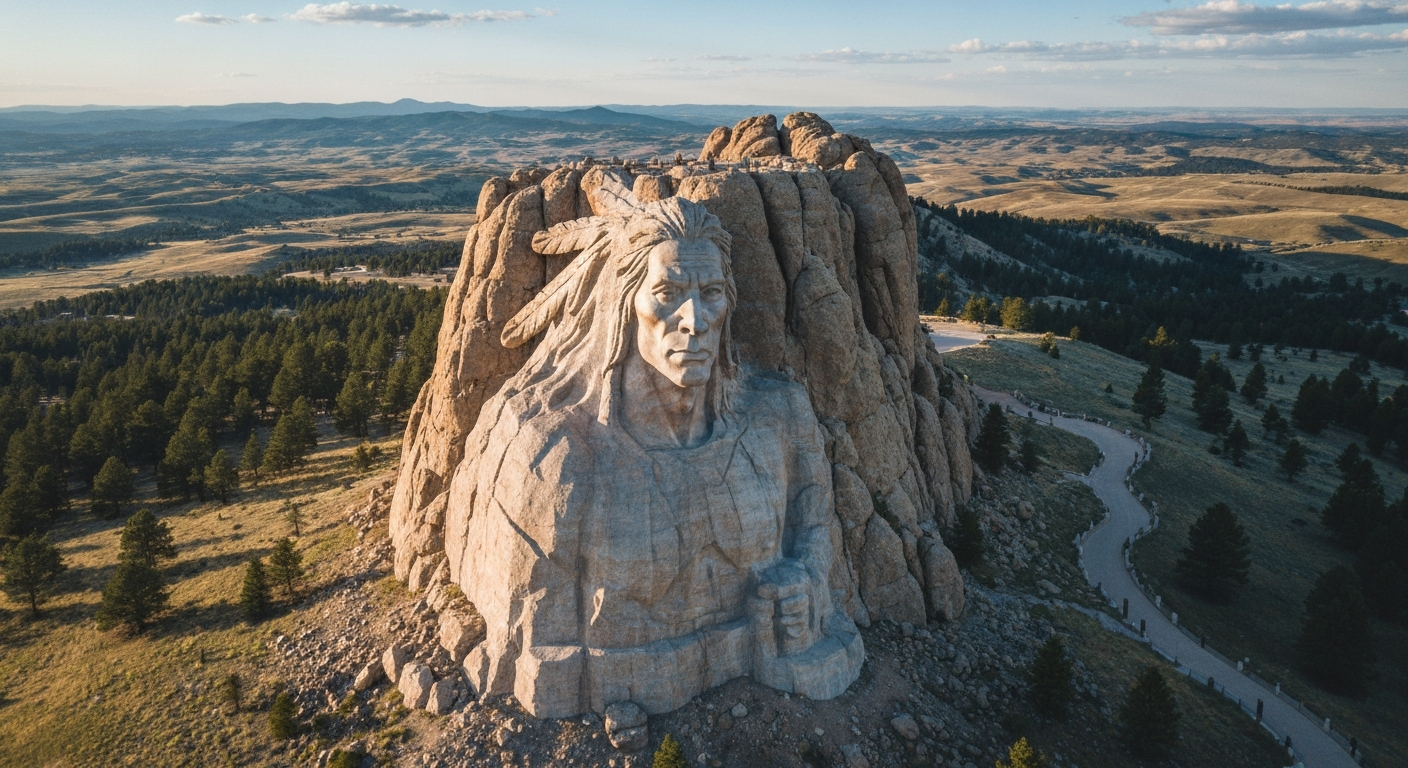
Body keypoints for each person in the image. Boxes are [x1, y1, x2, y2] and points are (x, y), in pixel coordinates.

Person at [445, 190, 862, 718]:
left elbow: (815, 526)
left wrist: (804, 580)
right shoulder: (559, 456)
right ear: (624, 307)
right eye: (667, 292)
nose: (694, 319)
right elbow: (544, 651)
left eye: (711, 292)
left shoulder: (779, 418)